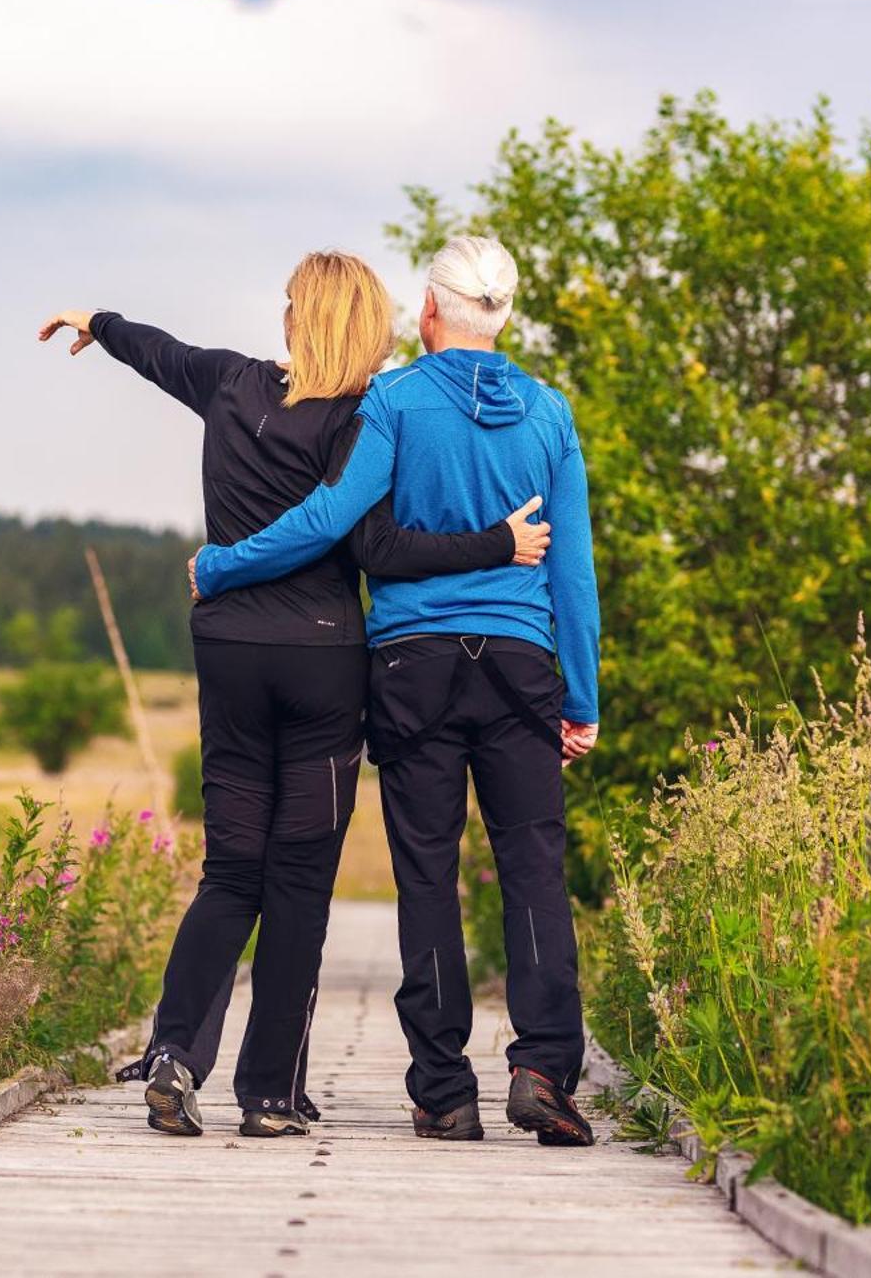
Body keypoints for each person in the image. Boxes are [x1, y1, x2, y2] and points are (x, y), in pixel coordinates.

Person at [36, 251, 549, 1138]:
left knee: (231, 867)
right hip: (321, 661)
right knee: (301, 877)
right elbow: (382, 550)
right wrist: (495, 546)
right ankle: (268, 1094)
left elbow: (159, 352)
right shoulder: (364, 417)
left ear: (295, 320)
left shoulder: (229, 384)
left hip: (228, 647)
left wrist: (97, 322)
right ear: (368, 327)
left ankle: (172, 1053)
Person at [191, 234, 601, 1147]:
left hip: (413, 666)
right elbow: (572, 570)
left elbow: (334, 518)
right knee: (533, 866)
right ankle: (542, 1069)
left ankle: (444, 1089)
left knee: (427, 870)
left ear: (428, 312)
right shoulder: (550, 415)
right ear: (505, 315)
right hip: (524, 662)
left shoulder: (396, 401)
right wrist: (583, 696)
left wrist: (222, 566)